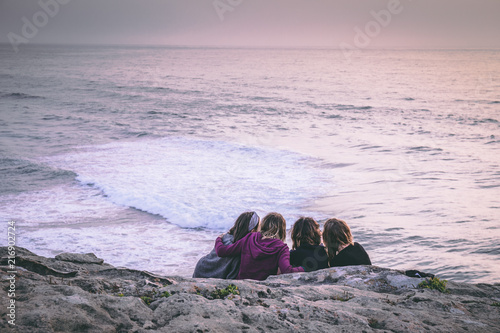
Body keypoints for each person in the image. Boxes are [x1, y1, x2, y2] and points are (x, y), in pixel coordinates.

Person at [215, 212, 304, 281]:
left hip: (242, 284)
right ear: (282, 230)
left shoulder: (250, 237)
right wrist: (304, 268)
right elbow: (287, 271)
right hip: (263, 287)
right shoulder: (281, 248)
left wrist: (219, 239)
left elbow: (221, 251)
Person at [192, 211, 260, 279]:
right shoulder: (242, 247)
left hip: (201, 268)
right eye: (260, 225)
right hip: (208, 276)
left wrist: (218, 238)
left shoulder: (226, 236)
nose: (261, 228)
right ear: (253, 231)